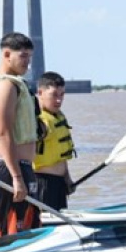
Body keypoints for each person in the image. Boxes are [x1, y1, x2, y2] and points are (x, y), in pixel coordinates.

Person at [0, 32, 41, 237]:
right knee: (13, 232)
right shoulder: (4, 86)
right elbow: (2, 133)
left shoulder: (14, 84)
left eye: (30, 57)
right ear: (6, 55)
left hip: (18, 167)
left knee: (30, 227)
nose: (28, 62)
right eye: (23, 56)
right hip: (6, 168)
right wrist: (16, 177)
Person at [33, 71, 75, 210]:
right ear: (40, 92)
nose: (59, 100)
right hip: (41, 184)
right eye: (54, 95)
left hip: (59, 183)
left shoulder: (57, 116)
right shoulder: (36, 121)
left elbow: (59, 156)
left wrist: (67, 178)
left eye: (62, 95)